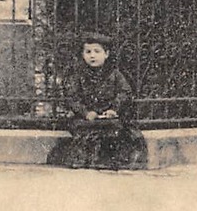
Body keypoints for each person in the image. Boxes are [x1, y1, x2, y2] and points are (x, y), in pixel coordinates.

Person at [47, 34, 147, 171]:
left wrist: (113, 109)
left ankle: (110, 161)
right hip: (86, 118)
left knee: (117, 129)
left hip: (108, 116)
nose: (92, 56)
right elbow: (72, 97)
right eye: (88, 52)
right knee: (85, 131)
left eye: (97, 51)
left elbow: (125, 93)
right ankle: (86, 160)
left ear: (106, 54)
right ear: (83, 55)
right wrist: (86, 112)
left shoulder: (115, 74)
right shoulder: (78, 75)